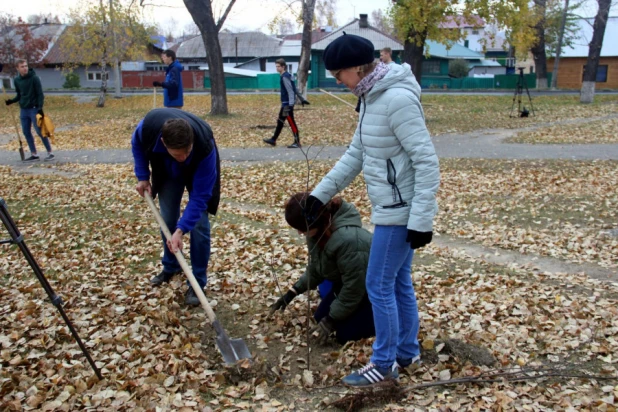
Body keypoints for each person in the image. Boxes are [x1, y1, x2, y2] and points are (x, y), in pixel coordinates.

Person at [304, 34, 440, 387]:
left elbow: (426, 161)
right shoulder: (371, 98)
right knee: (397, 282)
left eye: (338, 74)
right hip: (392, 206)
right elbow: (357, 154)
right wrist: (318, 196)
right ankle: (407, 352)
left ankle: (384, 365)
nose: (337, 81)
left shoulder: (395, 100)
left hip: (400, 212)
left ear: (357, 68)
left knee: (378, 284)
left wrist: (421, 220)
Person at [131, 108, 220, 306]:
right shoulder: (148, 129)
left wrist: (181, 230)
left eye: (186, 152)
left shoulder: (204, 146)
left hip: (198, 168)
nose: (183, 158)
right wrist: (143, 176)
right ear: (164, 143)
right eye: (177, 154)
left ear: (191, 143)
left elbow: (200, 197)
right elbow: (137, 143)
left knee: (200, 225)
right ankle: (171, 266)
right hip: (166, 168)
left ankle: (196, 283)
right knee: (168, 217)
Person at [270, 193, 375, 344]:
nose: (300, 233)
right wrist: (292, 292)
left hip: (371, 291)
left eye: (301, 228)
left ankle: (383, 321)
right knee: (320, 317)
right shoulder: (316, 231)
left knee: (344, 335)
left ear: (314, 220)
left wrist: (331, 320)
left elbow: (354, 288)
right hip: (347, 283)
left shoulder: (350, 241)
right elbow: (316, 268)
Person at [5, 59, 54, 161]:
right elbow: (19, 95)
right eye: (22, 66)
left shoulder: (34, 78)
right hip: (24, 110)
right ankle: (34, 154)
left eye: (26, 66)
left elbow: (40, 94)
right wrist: (11, 101)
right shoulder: (17, 80)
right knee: (26, 132)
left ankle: (50, 152)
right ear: (17, 68)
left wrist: (40, 108)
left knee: (39, 131)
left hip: (34, 109)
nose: (25, 68)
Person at [263, 58, 301, 149]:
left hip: (287, 105)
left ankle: (297, 142)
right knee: (280, 122)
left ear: (283, 67)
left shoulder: (285, 77)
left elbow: (291, 91)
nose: (277, 68)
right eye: (276, 66)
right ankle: (273, 139)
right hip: (285, 104)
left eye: (278, 66)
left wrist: (290, 105)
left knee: (291, 123)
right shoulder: (286, 75)